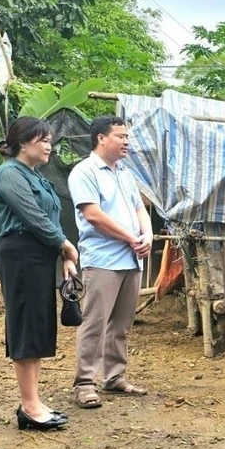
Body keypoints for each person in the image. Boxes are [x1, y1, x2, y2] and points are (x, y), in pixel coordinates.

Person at [0, 117, 78, 430]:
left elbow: (50, 220)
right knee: (26, 325)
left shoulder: (35, 175)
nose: (48, 146)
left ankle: (34, 400)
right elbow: (34, 217)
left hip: (41, 256)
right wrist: (65, 245)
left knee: (39, 325)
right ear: (23, 142)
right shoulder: (9, 174)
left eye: (50, 141)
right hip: (22, 256)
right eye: (43, 140)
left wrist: (62, 254)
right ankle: (29, 405)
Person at [67, 116, 153, 409]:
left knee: (122, 323)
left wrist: (148, 234)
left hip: (131, 259)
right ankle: (84, 382)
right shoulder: (85, 171)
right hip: (103, 259)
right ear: (101, 138)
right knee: (95, 322)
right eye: (120, 136)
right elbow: (93, 215)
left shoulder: (125, 174)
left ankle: (114, 376)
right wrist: (132, 237)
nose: (126, 141)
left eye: (127, 136)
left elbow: (140, 208)